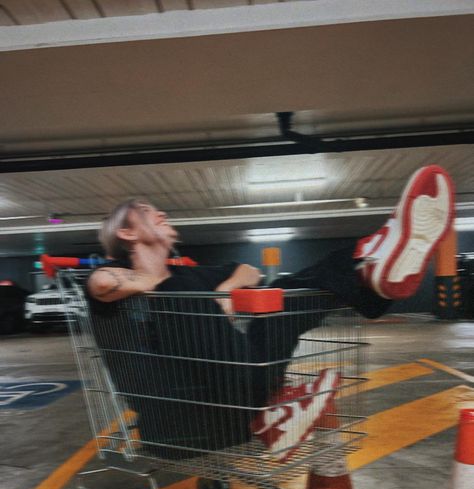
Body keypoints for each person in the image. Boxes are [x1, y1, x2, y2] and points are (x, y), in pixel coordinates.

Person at [86, 165, 454, 458]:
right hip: (181, 421)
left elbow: (251, 272)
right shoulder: (123, 283)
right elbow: (101, 283)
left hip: (239, 400)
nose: (161, 213)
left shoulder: (189, 274)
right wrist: (188, 296)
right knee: (177, 293)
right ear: (129, 235)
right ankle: (370, 260)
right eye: (148, 213)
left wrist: (225, 292)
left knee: (287, 291)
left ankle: (368, 263)